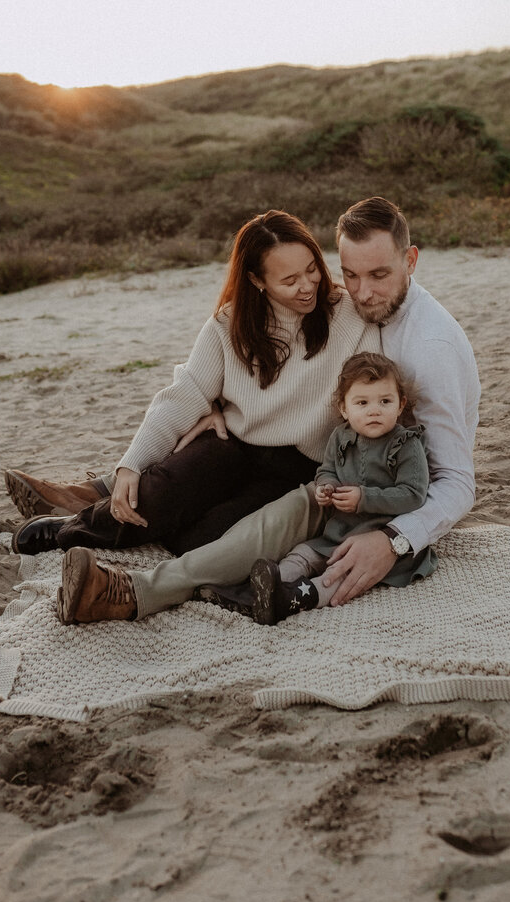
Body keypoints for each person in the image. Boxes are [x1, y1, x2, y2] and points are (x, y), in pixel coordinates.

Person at [55, 196, 481, 625]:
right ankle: (91, 512)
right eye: (350, 274)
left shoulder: (429, 350)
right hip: (339, 471)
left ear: (411, 260)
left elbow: (457, 481)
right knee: (203, 494)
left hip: (378, 491)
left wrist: (393, 540)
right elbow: (202, 385)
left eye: (379, 274)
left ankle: (134, 591)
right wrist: (217, 405)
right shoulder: (364, 309)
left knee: (253, 531)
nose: (362, 291)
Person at [9, 210, 379, 559]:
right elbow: (183, 394)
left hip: (298, 465)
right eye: (288, 280)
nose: (307, 286)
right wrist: (130, 465)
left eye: (312, 269)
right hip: (233, 444)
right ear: (256, 281)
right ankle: (69, 530)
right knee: (163, 490)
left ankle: (109, 506)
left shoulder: (348, 315)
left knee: (201, 540)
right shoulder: (229, 324)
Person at [249, 351, 430, 625]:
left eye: (385, 401)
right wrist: (326, 487)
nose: (374, 410)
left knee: (339, 574)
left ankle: (301, 597)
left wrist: (363, 498)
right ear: (344, 408)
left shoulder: (406, 444)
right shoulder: (341, 437)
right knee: (304, 554)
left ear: (401, 404)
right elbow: (327, 470)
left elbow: (414, 495)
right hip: (339, 532)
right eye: (362, 402)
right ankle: (271, 585)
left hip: (381, 539)